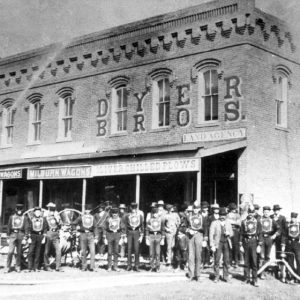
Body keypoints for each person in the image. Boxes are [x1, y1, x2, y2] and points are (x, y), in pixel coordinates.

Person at [239, 206, 263, 287]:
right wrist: (240, 245)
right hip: (246, 242)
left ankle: (255, 279)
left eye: (252, 213)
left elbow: (260, 234)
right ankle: (246, 278)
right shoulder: (243, 222)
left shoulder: (257, 222)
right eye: (249, 212)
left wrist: (259, 245)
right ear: (247, 212)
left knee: (254, 261)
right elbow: (241, 234)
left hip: (254, 243)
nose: (251, 214)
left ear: (254, 213)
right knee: (246, 261)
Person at [210, 207, 233, 283]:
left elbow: (232, 233)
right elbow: (211, 235)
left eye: (224, 215)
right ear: (218, 215)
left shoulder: (228, 222)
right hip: (218, 243)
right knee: (217, 260)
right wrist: (212, 245)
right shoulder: (214, 223)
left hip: (226, 242)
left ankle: (225, 276)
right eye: (221, 215)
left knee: (226, 260)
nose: (222, 217)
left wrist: (229, 233)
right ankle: (216, 276)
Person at [186, 202, 208, 282]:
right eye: (194, 208)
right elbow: (184, 226)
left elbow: (205, 228)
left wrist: (205, 239)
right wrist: (189, 230)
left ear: (199, 209)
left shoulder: (203, 217)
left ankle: (198, 275)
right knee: (191, 256)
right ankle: (191, 275)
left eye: (197, 208)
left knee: (198, 256)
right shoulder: (189, 217)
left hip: (199, 235)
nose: (196, 210)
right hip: (191, 236)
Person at [72, 204, 99, 271]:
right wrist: (76, 231)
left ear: (90, 211)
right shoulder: (81, 217)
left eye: (88, 210)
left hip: (91, 235)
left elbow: (95, 227)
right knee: (83, 251)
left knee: (92, 251)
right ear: (85, 210)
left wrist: (96, 237)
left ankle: (92, 267)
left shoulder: (92, 218)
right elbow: (73, 223)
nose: (87, 211)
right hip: (82, 234)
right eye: (86, 210)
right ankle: (84, 266)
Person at [5, 204, 28, 273]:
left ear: (22, 210)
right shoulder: (12, 217)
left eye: (21, 209)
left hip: (21, 235)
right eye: (18, 209)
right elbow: (8, 227)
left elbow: (26, 228)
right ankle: (8, 267)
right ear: (16, 210)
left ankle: (18, 266)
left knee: (19, 252)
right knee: (10, 252)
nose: (19, 211)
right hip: (13, 235)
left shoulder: (25, 218)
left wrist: (25, 238)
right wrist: (8, 237)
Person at [259, 206, 280, 279]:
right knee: (261, 256)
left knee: (267, 256)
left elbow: (278, 229)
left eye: (267, 212)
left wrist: (274, 235)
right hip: (261, 238)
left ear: (269, 213)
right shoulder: (260, 219)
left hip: (269, 239)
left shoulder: (272, 220)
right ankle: (260, 273)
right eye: (265, 212)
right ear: (263, 212)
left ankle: (264, 271)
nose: (266, 213)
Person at [103, 207, 125, 272]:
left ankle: (115, 266)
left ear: (118, 214)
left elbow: (123, 228)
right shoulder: (108, 219)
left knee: (116, 251)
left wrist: (122, 238)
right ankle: (109, 266)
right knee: (109, 252)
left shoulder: (120, 220)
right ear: (111, 214)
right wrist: (105, 238)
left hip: (117, 235)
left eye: (116, 213)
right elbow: (104, 228)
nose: (114, 215)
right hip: (109, 235)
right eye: (113, 213)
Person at [124, 202, 144, 271]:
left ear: (136, 209)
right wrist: (125, 236)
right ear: (130, 208)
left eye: (135, 208)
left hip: (137, 232)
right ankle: (129, 265)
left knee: (136, 249)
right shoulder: (127, 216)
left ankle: (136, 266)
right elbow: (125, 226)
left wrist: (141, 236)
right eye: (132, 208)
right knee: (129, 249)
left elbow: (142, 226)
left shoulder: (140, 216)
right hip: (129, 232)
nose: (133, 210)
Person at [281, 212, 300, 283]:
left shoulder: (299, 225)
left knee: (299, 260)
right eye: (292, 217)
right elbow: (284, 235)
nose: (293, 219)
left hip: (297, 244)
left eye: (294, 218)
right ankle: (291, 277)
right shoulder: (287, 225)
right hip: (289, 244)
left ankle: (298, 277)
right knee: (290, 261)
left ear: (296, 218)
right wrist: (283, 245)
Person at [27, 207, 47, 272]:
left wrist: (43, 238)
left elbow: (45, 229)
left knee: (38, 252)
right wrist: (29, 237)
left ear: (40, 213)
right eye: (36, 212)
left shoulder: (43, 219)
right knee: (30, 252)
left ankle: (36, 267)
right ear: (34, 212)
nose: (37, 213)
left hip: (40, 236)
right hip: (32, 236)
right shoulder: (31, 219)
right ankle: (30, 267)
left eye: (39, 212)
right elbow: (29, 228)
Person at [44, 202, 62, 272]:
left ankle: (58, 267)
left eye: (53, 208)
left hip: (55, 234)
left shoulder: (56, 214)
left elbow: (60, 224)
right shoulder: (45, 215)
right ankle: (47, 266)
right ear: (48, 208)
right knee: (46, 251)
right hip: (49, 233)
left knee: (58, 251)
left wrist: (57, 218)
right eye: (50, 208)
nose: (51, 210)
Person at [146, 207, 165, 272]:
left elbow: (163, 229)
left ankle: (157, 267)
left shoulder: (161, 220)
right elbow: (147, 229)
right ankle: (151, 266)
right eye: (154, 213)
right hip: (151, 236)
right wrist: (147, 238)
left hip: (158, 236)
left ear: (158, 214)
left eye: (156, 213)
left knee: (157, 252)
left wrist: (162, 239)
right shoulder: (149, 220)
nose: (155, 215)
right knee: (151, 253)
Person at [227, 202, 241, 268]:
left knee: (236, 246)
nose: (234, 210)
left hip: (235, 231)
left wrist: (231, 222)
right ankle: (229, 262)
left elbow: (239, 223)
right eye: (232, 209)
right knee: (229, 246)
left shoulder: (237, 215)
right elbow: (227, 222)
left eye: (234, 209)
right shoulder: (227, 215)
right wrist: (234, 222)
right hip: (229, 231)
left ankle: (236, 261)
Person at [201, 201, 210, 267]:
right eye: (204, 207)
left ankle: (207, 261)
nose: (205, 209)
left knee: (208, 247)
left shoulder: (209, 215)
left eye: (206, 207)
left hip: (209, 232)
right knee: (202, 247)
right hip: (201, 232)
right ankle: (202, 261)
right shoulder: (199, 214)